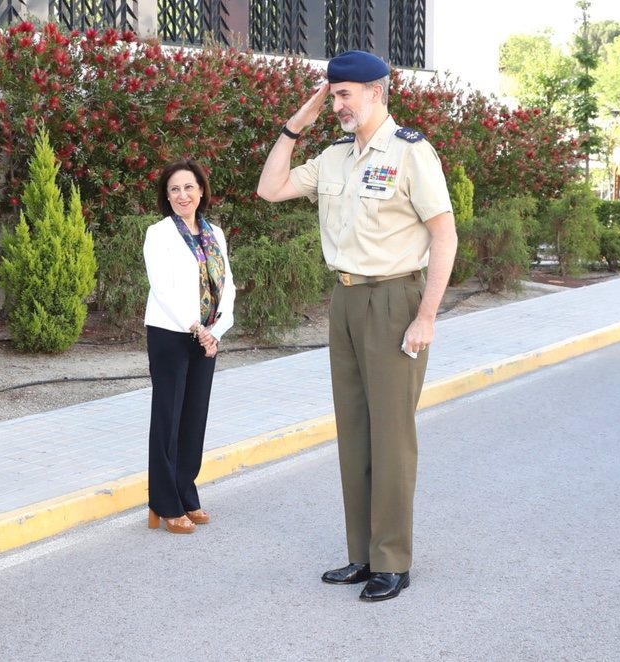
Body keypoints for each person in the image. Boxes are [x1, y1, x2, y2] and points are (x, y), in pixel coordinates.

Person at [256, 50, 457, 601]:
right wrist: (296, 124)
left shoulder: (413, 153)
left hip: (394, 299)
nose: (337, 104)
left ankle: (393, 560)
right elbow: (269, 189)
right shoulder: (335, 156)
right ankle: (362, 554)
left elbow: (444, 236)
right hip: (344, 302)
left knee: (392, 436)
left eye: (344, 94)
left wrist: (426, 317)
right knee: (355, 433)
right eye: (333, 94)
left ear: (376, 92)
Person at [143, 159, 236, 534]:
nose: (183, 195)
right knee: (168, 418)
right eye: (174, 190)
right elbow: (162, 288)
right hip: (171, 333)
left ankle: (186, 492)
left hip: (208, 336)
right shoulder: (159, 233)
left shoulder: (215, 233)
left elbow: (226, 285)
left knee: (194, 416)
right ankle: (163, 504)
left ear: (201, 190)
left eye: (189, 187)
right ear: (167, 197)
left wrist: (217, 329)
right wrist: (196, 328)